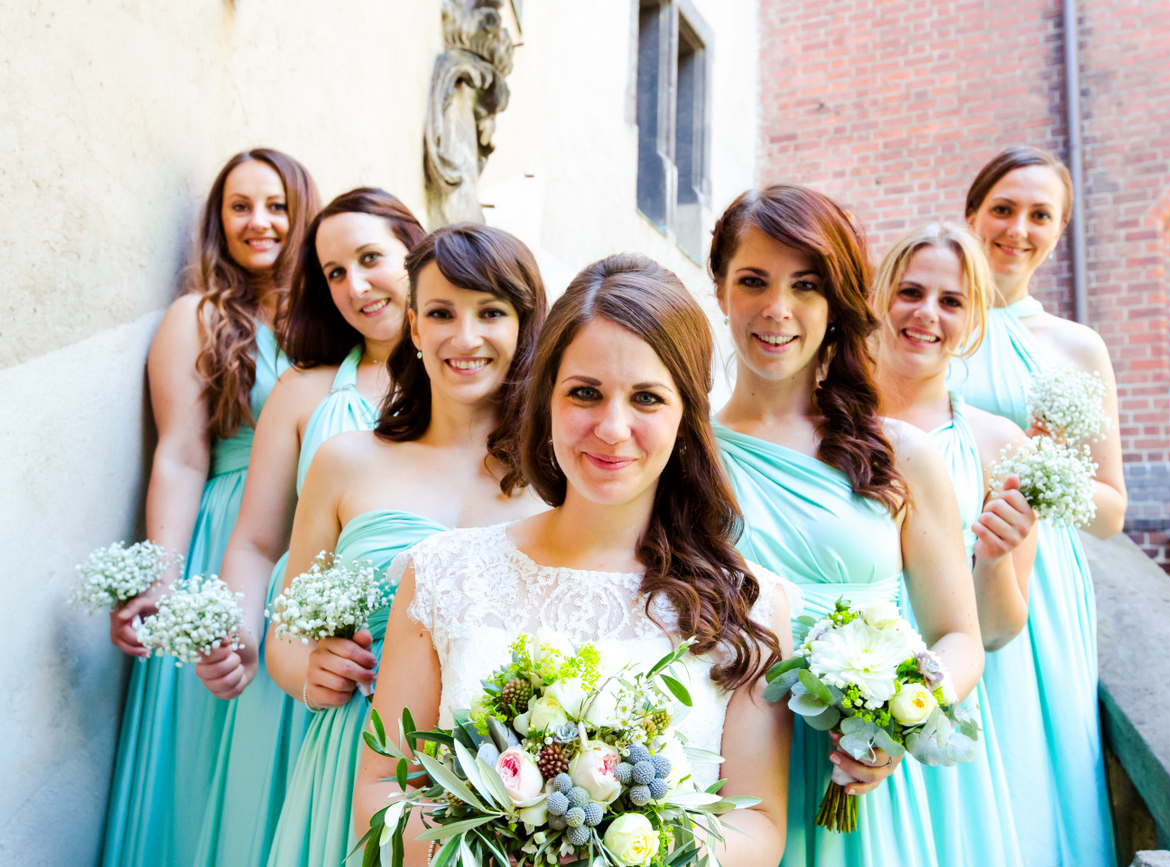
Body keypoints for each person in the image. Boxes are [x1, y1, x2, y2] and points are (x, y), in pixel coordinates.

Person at [352, 253, 796, 866]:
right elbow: (384, 789)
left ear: (686, 418)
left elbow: (759, 822)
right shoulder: (440, 573)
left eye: (646, 398)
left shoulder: (750, 607)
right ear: (547, 402)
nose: (612, 429)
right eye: (585, 393)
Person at [707, 185, 984, 867]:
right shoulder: (684, 455)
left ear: (835, 306)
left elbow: (961, 635)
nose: (777, 309)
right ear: (719, 290)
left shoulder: (902, 455)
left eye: (805, 286)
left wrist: (905, 715)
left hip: (858, 779)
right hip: (722, 771)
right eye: (753, 281)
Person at [265, 223, 549, 866]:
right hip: (357, 758)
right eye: (442, 313)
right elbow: (285, 633)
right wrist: (310, 671)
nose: (465, 337)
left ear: (526, 324)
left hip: (508, 778)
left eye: (491, 313)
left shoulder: (558, 479)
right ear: (415, 328)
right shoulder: (346, 462)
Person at [188, 189, 426, 865]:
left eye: (371, 258)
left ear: (417, 250)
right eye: (334, 272)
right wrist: (240, 634)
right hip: (304, 679)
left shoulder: (469, 384)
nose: (355, 285)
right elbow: (257, 541)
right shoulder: (304, 389)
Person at [100, 149, 318, 867]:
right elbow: (181, 456)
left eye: (277, 205)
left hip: (315, 550)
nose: (260, 222)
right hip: (224, 540)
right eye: (240, 206)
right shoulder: (197, 317)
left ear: (303, 212)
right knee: (200, 749)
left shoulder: (333, 323)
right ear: (218, 223)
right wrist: (159, 581)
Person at [948, 145, 1126, 867]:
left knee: (1022, 752)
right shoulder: (929, 318)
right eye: (1003, 209)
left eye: (1040, 215)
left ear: (1058, 232)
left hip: (1035, 584)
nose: (1018, 228)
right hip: (930, 556)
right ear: (972, 215)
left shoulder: (1077, 348)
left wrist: (1041, 463)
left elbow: (1111, 510)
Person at [869, 222, 1040, 867]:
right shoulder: (823, 424)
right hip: (824, 694)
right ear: (880, 298)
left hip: (935, 704)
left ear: (973, 320)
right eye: (910, 292)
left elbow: (994, 632)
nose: (926, 314)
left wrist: (993, 560)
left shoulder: (1003, 449)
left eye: (951, 301)